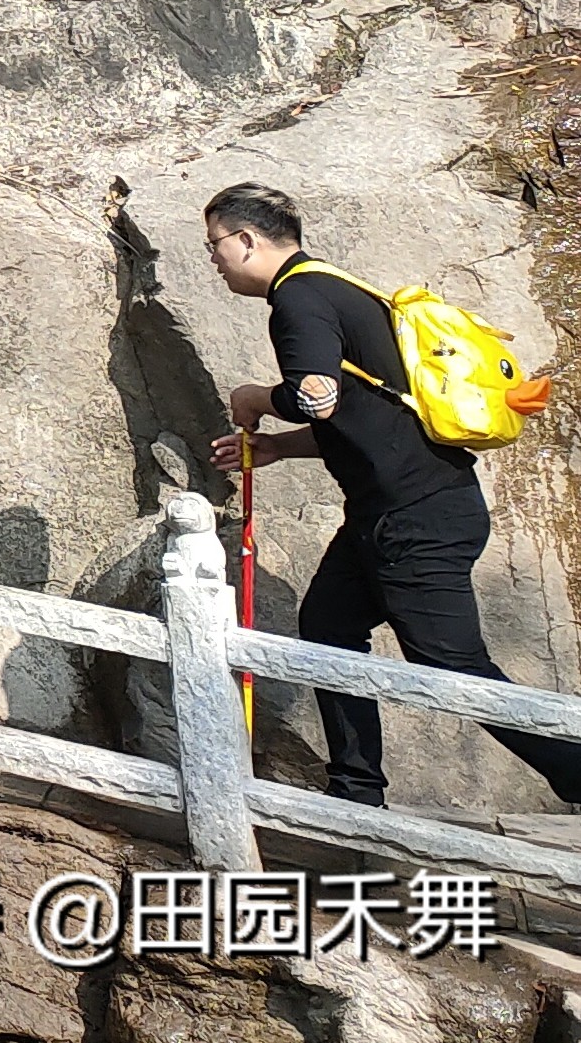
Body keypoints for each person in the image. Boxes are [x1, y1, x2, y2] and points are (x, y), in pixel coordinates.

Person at [202, 181, 581, 809]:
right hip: (397, 512)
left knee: (455, 669)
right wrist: (278, 448)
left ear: (246, 240)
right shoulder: (336, 288)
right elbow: (366, 418)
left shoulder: (297, 299)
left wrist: (255, 399)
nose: (212, 259)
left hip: (417, 520)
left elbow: (315, 396)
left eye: (214, 244)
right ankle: (354, 789)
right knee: (327, 627)